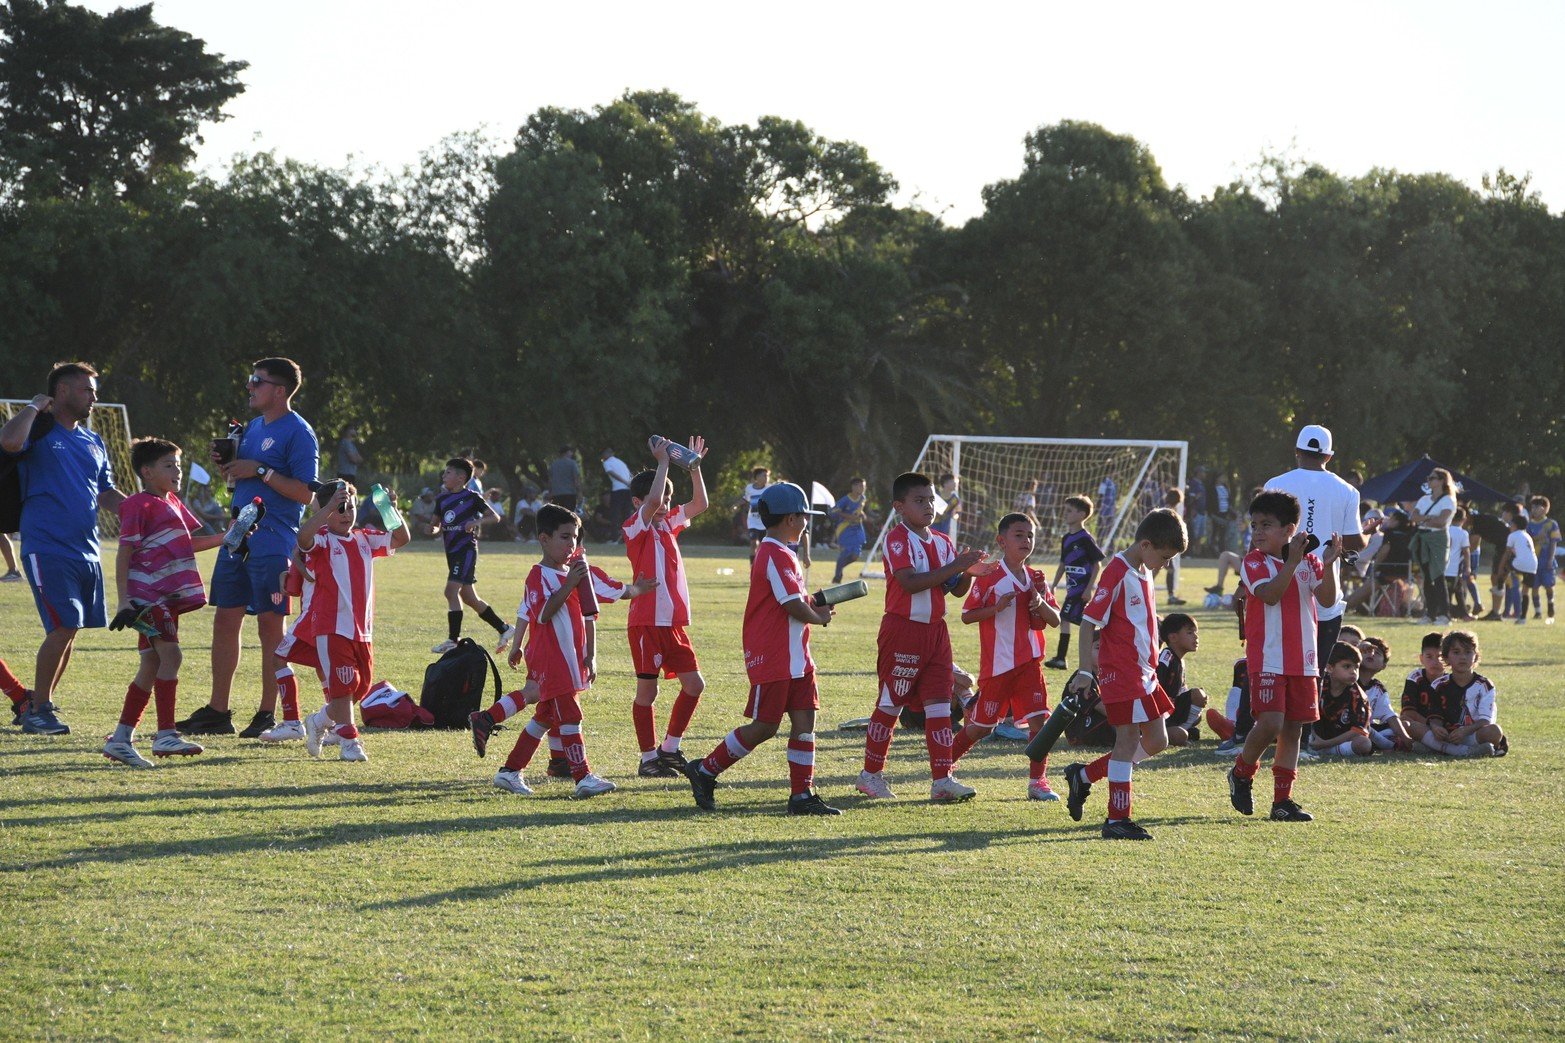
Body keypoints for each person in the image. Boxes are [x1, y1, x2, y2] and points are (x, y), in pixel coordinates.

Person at [177, 358, 319, 738]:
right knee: (225, 620)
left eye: (258, 381)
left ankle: (268, 714)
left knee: (270, 627)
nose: (250, 387)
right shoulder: (254, 427)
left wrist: (259, 470)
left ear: (280, 390)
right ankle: (218, 711)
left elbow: (307, 492)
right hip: (238, 536)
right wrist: (231, 468)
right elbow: (243, 478)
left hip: (274, 537)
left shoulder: (299, 432)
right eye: (249, 380)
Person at [683, 483, 840, 815]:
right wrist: (819, 616)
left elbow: (796, 600)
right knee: (765, 725)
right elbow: (793, 606)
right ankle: (706, 769)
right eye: (803, 516)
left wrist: (815, 605)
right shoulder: (774, 553)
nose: (806, 522)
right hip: (776, 655)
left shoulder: (782, 551)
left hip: (796, 654)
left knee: (805, 720)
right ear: (790, 519)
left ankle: (802, 795)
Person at [0, 362, 127, 735]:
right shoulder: (38, 428)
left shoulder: (93, 440)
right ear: (64, 392)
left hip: (87, 551)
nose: (94, 397)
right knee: (63, 625)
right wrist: (34, 406)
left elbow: (105, 493)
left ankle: (40, 705)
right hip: (46, 546)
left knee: (71, 630)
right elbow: (8, 442)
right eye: (88, 390)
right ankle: (40, 710)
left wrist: (145, 510)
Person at [856, 471, 994, 803]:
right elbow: (910, 582)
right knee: (891, 703)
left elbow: (955, 590)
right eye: (919, 500)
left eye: (931, 499)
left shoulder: (943, 541)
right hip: (903, 631)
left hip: (936, 633)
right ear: (899, 507)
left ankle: (942, 779)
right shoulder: (897, 539)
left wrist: (969, 572)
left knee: (938, 706)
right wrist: (956, 565)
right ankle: (870, 775)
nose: (929, 506)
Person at [468, 504, 616, 797]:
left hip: (570, 657)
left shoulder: (570, 572)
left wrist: (590, 653)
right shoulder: (539, 574)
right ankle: (583, 776)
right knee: (571, 715)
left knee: (545, 717)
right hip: (552, 660)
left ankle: (510, 771)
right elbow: (543, 613)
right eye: (564, 537)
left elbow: (587, 615)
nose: (571, 543)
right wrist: (569, 584)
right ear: (544, 539)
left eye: (575, 537)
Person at [1061, 508, 1188, 840]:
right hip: (1122, 673)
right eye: (1165, 556)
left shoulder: (1142, 568)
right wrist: (1085, 672)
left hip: (1146, 673)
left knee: (1158, 741)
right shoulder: (1116, 571)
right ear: (1145, 544)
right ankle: (1117, 819)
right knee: (1127, 741)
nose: (1167, 563)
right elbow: (1089, 622)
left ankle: (1084, 776)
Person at [101, 438, 224, 766]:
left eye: (179, 465)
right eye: (169, 465)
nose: (177, 471)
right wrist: (124, 600)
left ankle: (121, 739)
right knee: (172, 656)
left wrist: (227, 537)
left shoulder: (172, 502)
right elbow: (124, 551)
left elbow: (188, 544)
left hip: (165, 598)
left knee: (153, 663)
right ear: (147, 471)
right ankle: (166, 734)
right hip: (147, 597)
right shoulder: (137, 505)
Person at [1226, 490, 1342, 823]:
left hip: (1303, 657)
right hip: (1268, 655)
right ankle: (1241, 773)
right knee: (1271, 722)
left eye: (1267, 524)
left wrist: (1330, 565)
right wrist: (1292, 561)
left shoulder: (1310, 560)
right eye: (1254, 525)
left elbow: (1327, 599)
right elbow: (1270, 595)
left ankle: (1282, 801)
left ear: (1290, 529)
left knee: (1293, 729)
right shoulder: (1254, 561)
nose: (1258, 532)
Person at [283, 482, 409, 762]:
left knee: (360, 689)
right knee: (343, 687)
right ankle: (349, 742)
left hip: (362, 630)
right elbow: (303, 538)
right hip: (331, 626)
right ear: (325, 512)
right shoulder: (324, 540)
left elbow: (401, 538)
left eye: (350, 507)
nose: (346, 513)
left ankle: (318, 721)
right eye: (339, 508)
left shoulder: (365, 538)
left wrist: (388, 507)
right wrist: (327, 507)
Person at [954, 512, 1062, 800]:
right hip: (999, 666)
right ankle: (943, 767)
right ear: (1002, 541)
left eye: (1030, 535)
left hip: (1030, 664)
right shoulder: (989, 575)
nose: (1026, 540)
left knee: (1041, 723)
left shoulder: (1037, 578)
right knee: (979, 729)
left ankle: (1037, 782)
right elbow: (967, 615)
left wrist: (1039, 603)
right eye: (1019, 534)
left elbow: (1055, 620)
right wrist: (996, 608)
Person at [623, 436, 710, 776]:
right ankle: (648, 760)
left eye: (668, 500)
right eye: (658, 500)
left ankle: (670, 749)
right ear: (637, 502)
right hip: (645, 622)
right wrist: (662, 463)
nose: (664, 505)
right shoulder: (635, 527)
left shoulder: (669, 524)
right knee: (648, 690)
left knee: (694, 684)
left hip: (671, 624)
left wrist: (693, 468)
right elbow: (654, 499)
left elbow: (700, 504)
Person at [1264, 425, 1366, 665]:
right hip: (1324, 594)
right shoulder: (1348, 491)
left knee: (1276, 667)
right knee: (1314, 674)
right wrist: (1367, 534)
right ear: (1329, 456)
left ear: (1297, 451)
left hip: (1280, 589)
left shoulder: (1274, 484)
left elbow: (1261, 535)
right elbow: (1353, 543)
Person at [431, 458, 514, 655]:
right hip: (451, 552)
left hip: (465, 550)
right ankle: (504, 628)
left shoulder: (472, 497)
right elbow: (435, 524)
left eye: (448, 472)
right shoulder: (441, 499)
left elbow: (494, 517)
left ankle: (453, 639)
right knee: (468, 597)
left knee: (450, 591)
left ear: (461, 477)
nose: (444, 475)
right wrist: (431, 528)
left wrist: (475, 522)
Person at [1424, 630, 1506, 757]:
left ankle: (1439, 749)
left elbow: (1485, 720)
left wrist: (1465, 731)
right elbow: (1434, 715)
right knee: (1413, 727)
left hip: (1473, 735)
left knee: (1495, 731)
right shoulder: (1438, 685)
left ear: (1476, 656)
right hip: (1447, 736)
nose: (1463, 657)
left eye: (1468, 652)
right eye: (1456, 652)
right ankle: (1462, 751)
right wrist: (1436, 728)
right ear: (1446, 657)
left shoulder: (1485, 685)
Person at [1045, 495, 1104, 670]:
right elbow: (1063, 564)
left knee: (1066, 617)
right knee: (1074, 619)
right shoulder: (1066, 539)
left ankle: (1063, 658)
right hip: (1071, 589)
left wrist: (1089, 588)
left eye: (1069, 511)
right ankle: (1101, 639)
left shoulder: (1085, 538)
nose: (1065, 514)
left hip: (1081, 589)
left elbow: (1097, 564)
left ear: (1081, 514)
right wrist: (1054, 584)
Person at [1409, 468, 1456, 625]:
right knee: (1427, 576)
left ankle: (1444, 614)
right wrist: (1429, 518)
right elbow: (1413, 517)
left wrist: (1423, 518)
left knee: (1438, 575)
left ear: (1442, 480)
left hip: (1438, 539)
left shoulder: (1448, 500)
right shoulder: (1424, 499)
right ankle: (1430, 614)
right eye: (1428, 478)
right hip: (1423, 537)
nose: (1429, 481)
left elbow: (1442, 521)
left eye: (1433, 478)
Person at [1309, 642, 1372, 757]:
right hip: (1315, 736)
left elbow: (1358, 730)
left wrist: (1325, 744)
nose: (1353, 671)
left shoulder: (1358, 696)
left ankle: (1328, 751)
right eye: (1347, 666)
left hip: (1340, 742)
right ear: (1329, 668)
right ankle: (1307, 746)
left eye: (1356, 667)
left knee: (1364, 744)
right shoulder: (1319, 685)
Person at [1157, 613, 1207, 746]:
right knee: (1182, 734)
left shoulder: (1179, 660)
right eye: (1190, 633)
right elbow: (1156, 689)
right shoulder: (1166, 657)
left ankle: (1182, 729)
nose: (1196, 637)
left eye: (1196, 632)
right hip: (1160, 715)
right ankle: (1175, 731)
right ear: (1173, 637)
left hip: (1172, 711)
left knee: (1198, 700)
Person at [1356, 636, 1413, 751]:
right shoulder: (1345, 679)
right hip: (1346, 728)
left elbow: (1390, 716)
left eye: (1376, 653)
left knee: (1404, 725)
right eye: (1366, 651)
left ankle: (1389, 743)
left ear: (1383, 666)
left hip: (1366, 730)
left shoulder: (1378, 688)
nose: (1371, 654)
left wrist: (1406, 738)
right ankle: (1390, 746)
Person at [829, 477, 870, 584]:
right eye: (861, 486)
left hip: (857, 529)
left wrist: (863, 515)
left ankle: (839, 568)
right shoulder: (845, 500)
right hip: (845, 529)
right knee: (845, 553)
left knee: (856, 555)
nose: (863, 488)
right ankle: (837, 577)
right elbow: (833, 511)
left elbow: (860, 511)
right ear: (854, 487)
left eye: (864, 486)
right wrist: (848, 516)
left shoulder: (863, 498)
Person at [1500, 513, 1538, 625]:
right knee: (1525, 591)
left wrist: (1501, 568)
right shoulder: (1527, 536)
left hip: (1519, 563)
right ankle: (1522, 618)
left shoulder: (1513, 535)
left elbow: (1507, 553)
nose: (1510, 526)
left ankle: (1499, 585)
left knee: (1506, 569)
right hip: (1533, 565)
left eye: (1511, 524)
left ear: (1515, 525)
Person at [1526, 495, 1559, 623]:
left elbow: (1554, 543)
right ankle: (1538, 611)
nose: (1534, 510)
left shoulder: (1551, 524)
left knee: (1549, 585)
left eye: (1537, 507)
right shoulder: (1529, 525)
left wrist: (1551, 559)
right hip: (1534, 561)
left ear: (1545, 509)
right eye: (1532, 507)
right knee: (1534, 587)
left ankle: (1550, 606)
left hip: (1546, 560)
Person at [1445, 507, 1474, 621]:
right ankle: (1449, 614)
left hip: (1443, 567)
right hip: (1454, 568)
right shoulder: (1463, 533)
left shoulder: (1445, 529)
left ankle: (1462, 613)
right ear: (1464, 519)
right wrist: (1468, 566)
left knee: (1455, 590)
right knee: (1455, 591)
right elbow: (1466, 551)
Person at [1162, 487, 1187, 605]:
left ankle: (1171, 596)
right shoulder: (1169, 510)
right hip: (1162, 545)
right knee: (1170, 570)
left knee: (1156, 570)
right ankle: (1171, 597)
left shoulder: (1166, 508)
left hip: (1161, 544)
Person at [601, 448, 634, 534]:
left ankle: (614, 537)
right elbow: (630, 474)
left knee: (615, 513)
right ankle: (629, 536)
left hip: (618, 489)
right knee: (627, 513)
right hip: (627, 489)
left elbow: (612, 473)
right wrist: (630, 483)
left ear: (606, 454)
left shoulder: (606, 462)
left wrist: (624, 482)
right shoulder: (620, 462)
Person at [741, 466, 770, 561]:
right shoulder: (749, 488)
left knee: (764, 546)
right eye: (764, 476)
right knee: (754, 543)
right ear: (757, 477)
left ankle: (761, 565)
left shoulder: (770, 488)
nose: (766, 478)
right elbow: (746, 499)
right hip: (753, 521)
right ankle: (752, 566)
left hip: (765, 522)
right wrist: (736, 505)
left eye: (767, 476)